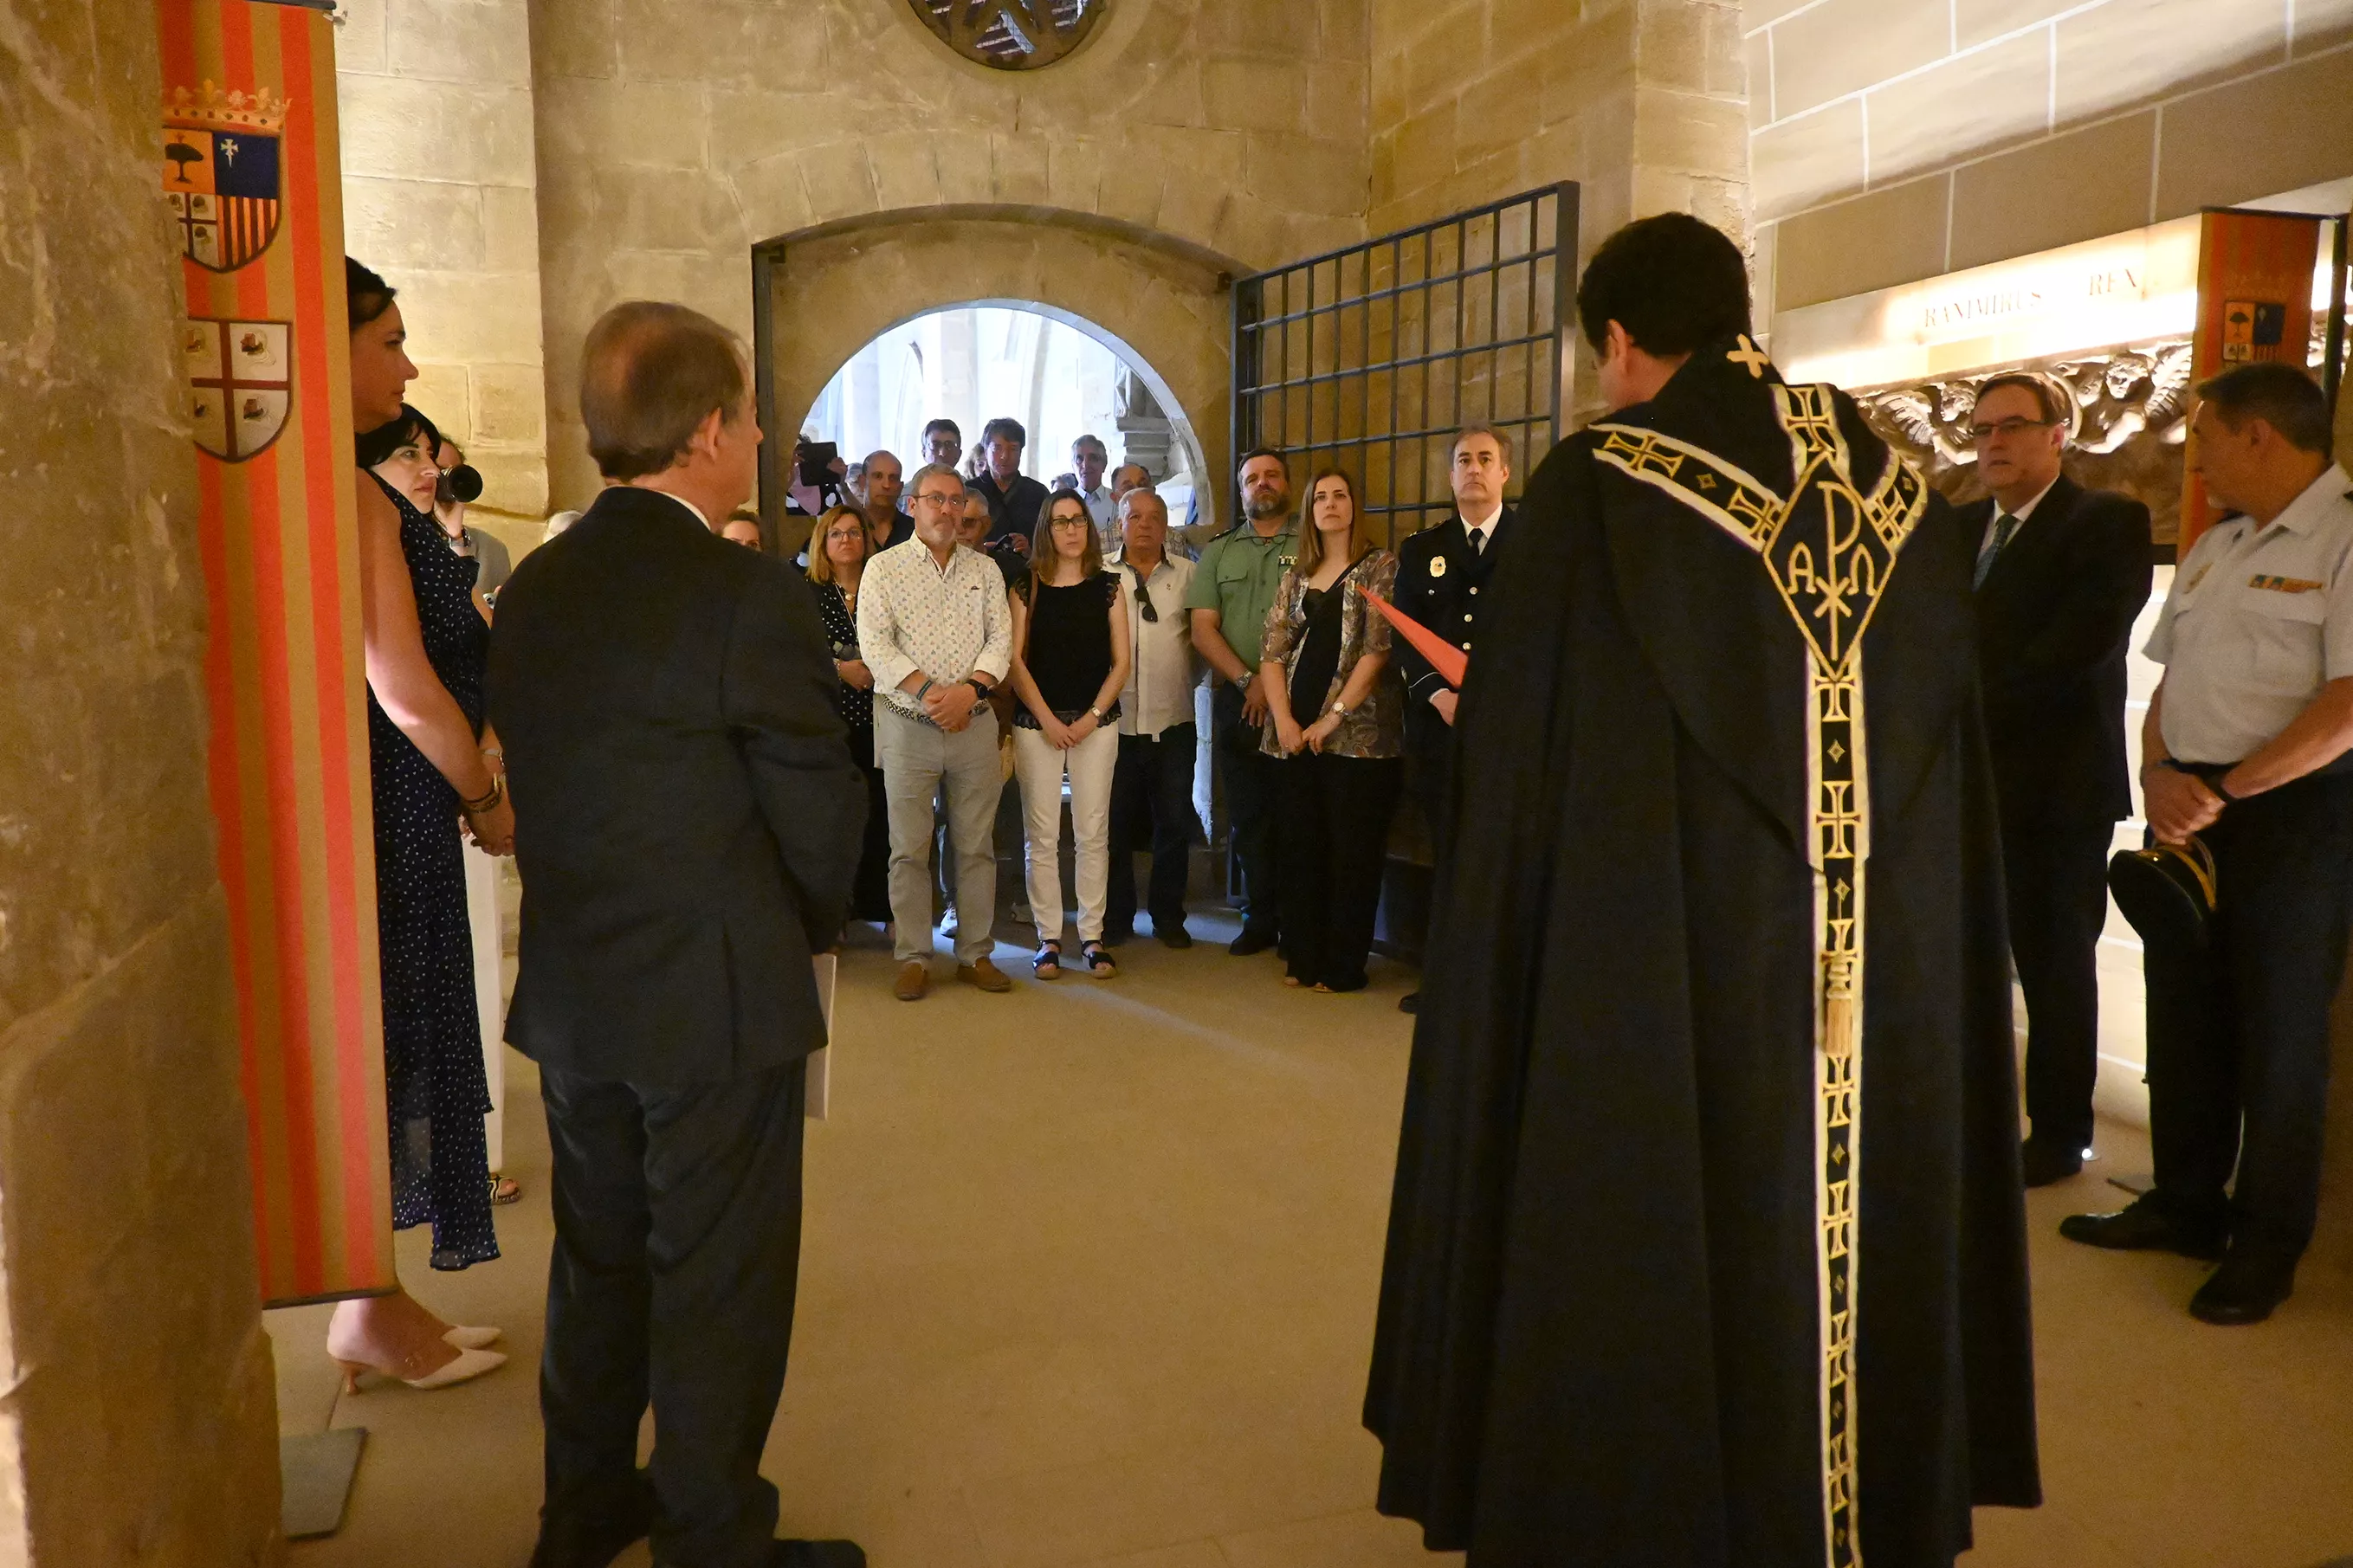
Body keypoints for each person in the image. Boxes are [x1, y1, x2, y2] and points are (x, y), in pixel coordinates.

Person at [1364, 213, 2039, 1564]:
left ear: (1619, 342)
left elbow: (1518, 760)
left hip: (1664, 954)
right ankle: (1861, 1499)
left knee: (1657, 1200)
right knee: (1848, 1197)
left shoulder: (1601, 485)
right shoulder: (1898, 489)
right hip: (1882, 956)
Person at [487, 299, 867, 1568]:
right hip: (712, 994)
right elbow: (817, 809)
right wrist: (803, 929)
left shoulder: (536, 587)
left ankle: (585, 1509)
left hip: (581, 989)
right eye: (751, 414)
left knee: (599, 1261)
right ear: (707, 429)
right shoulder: (743, 594)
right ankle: (713, 1538)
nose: (761, 436)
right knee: (718, 1277)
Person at [2061, 362, 2353, 1326]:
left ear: (2257, 434)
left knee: (2276, 1034)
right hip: (2187, 804)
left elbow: (2343, 705)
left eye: (2204, 435)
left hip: (2289, 818)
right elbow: (2170, 690)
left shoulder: (2343, 534)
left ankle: (2264, 1242)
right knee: (2181, 1015)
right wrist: (2157, 777)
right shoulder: (2214, 546)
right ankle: (2183, 1203)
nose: (2194, 458)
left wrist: (2222, 791)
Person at [338, 266, 511, 1397]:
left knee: (407, 1035)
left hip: (409, 798)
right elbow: (398, 680)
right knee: (394, 1041)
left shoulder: (360, 483)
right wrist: (487, 798)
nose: (407, 364)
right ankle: (365, 1306)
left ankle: (378, 1295)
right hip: (398, 799)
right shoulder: (351, 495)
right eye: (391, 339)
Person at [1962, 372, 2153, 1186]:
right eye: (1980, 430)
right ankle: (1967, 1116)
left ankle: (2060, 1133)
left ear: (2057, 433)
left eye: (2011, 426)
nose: (1993, 443)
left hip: (2053, 792)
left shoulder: (2105, 522)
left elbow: (2077, 649)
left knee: (2053, 967)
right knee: (1963, 964)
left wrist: (1950, 705)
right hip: (1960, 791)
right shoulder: (1954, 529)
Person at [859, 462, 1018, 1000]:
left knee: (975, 845)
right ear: (912, 505)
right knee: (908, 848)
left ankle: (975, 953)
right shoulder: (882, 569)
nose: (947, 510)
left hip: (972, 724)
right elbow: (877, 646)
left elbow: (1001, 640)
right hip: (907, 726)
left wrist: (969, 692)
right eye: (935, 499)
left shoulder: (985, 571)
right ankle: (913, 955)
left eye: (956, 501)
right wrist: (932, 694)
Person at [1258, 469, 1403, 994]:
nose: (1331, 504)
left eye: (1341, 494)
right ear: (1310, 511)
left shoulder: (1381, 566)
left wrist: (1333, 715)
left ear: (1353, 505)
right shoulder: (1297, 575)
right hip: (1295, 736)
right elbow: (1271, 651)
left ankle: (1343, 965)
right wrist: (1287, 721)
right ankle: (1303, 956)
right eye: (1321, 497)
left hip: (1357, 738)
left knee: (1352, 853)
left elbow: (1377, 650)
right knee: (1301, 846)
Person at [1389, 424, 1516, 1015]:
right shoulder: (1423, 550)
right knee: (1447, 854)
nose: (1473, 468)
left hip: (1506, 736)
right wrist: (1437, 695)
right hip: (1440, 727)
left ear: (1504, 473)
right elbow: (1405, 636)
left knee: (1504, 857)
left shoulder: (1532, 541)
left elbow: (1539, 634)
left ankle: (1499, 985)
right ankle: (1445, 979)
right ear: (1449, 475)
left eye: (1484, 459)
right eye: (1463, 459)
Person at [1009, 490, 1133, 978]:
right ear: (1047, 529)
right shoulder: (1025, 585)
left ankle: (1093, 935)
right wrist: (1048, 720)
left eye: (1078, 520)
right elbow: (1015, 661)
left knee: (1092, 833)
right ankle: (1049, 938)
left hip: (1096, 723)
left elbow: (1122, 661)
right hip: (1036, 723)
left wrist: (1090, 717)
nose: (1071, 529)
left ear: (1089, 526)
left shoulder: (1109, 586)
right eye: (1060, 522)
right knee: (1040, 835)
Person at [1186, 448, 1297, 955]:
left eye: (1272, 476)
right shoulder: (1219, 552)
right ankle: (1260, 918)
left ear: (1287, 486)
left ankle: (1299, 921)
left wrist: (1278, 689)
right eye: (1253, 478)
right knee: (1250, 815)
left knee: (1297, 812)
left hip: (1301, 703)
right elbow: (1203, 629)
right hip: (1240, 699)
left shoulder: (1313, 545)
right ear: (1242, 490)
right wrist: (1248, 680)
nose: (1263, 484)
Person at [1106, 487, 1200, 948]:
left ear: (1166, 526)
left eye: (1154, 517)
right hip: (1113, 724)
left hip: (1174, 721)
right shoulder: (1099, 574)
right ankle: (1116, 918)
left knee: (1174, 824)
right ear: (1119, 523)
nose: (1144, 524)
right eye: (1134, 516)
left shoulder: (1190, 575)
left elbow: (1202, 641)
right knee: (1113, 825)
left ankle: (1169, 917)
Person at [806, 507, 894, 927]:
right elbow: (795, 655)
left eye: (854, 532)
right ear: (823, 542)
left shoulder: (886, 587)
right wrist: (842, 669)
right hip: (832, 721)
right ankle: (835, 915)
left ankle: (882, 908)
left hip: (884, 719)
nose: (846, 540)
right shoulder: (806, 593)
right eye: (836, 534)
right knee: (835, 820)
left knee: (882, 815)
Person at [971, 416, 1050, 552]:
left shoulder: (1038, 492)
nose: (1004, 456)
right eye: (997, 448)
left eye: (1013, 449)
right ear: (985, 451)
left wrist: (1030, 551)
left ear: (1020, 452)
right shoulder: (969, 490)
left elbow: (1050, 542)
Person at [860, 448, 913, 550]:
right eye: (878, 476)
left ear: (901, 487)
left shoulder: (916, 532)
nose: (886, 485)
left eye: (893, 478)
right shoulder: (848, 531)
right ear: (862, 482)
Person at [1071, 434, 1115, 549]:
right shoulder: (1064, 502)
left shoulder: (1117, 501)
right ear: (1073, 466)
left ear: (1104, 464)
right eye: (1079, 459)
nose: (1085, 465)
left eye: (1093, 458)